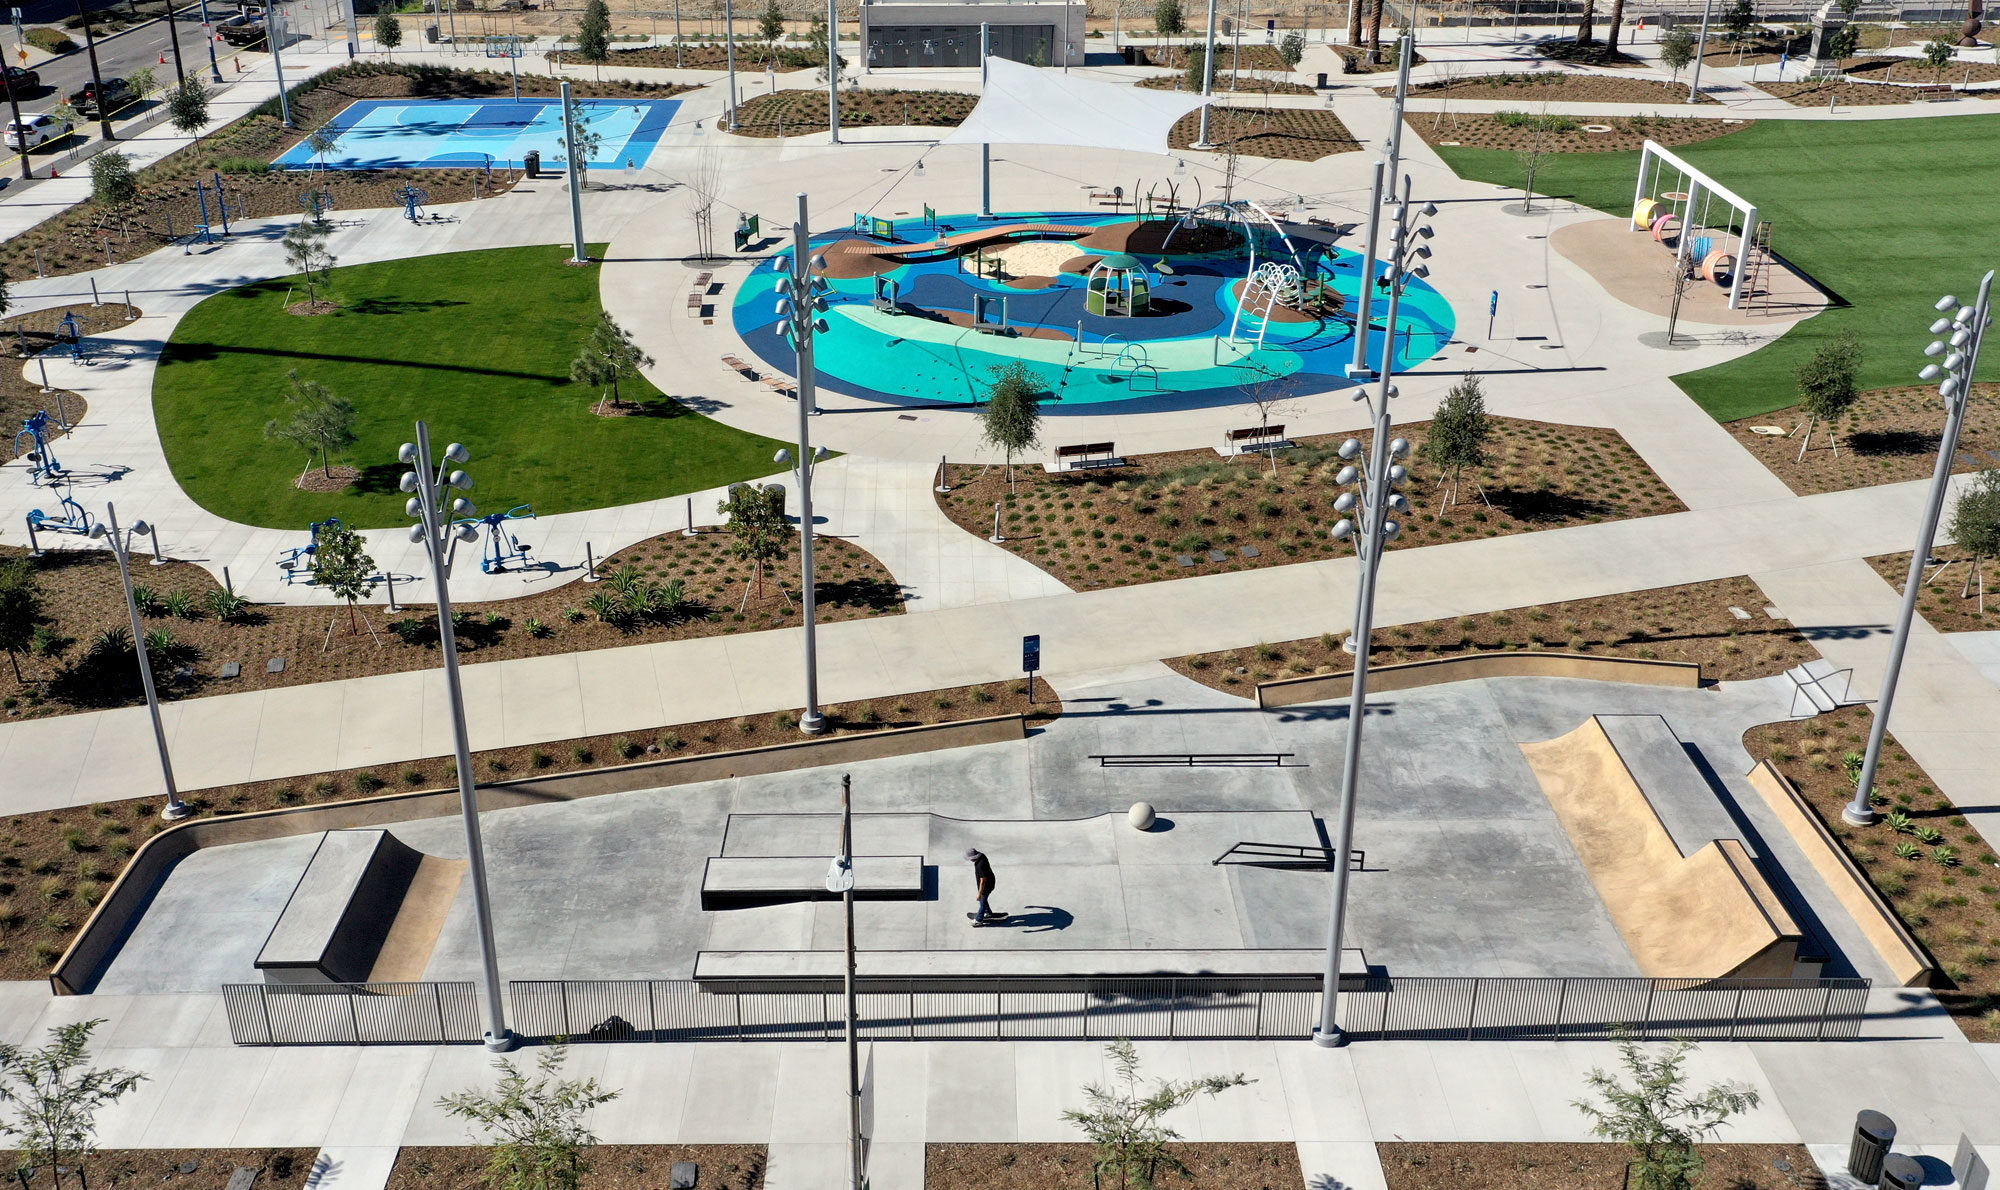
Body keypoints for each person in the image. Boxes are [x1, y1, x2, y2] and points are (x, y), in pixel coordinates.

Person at [965, 848, 998, 922]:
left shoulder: (980, 865)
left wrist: (979, 894)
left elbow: (983, 881)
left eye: (970, 858)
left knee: (982, 902)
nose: (970, 860)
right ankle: (988, 913)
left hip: (986, 885)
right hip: (989, 881)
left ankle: (979, 920)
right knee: (983, 900)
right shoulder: (982, 856)